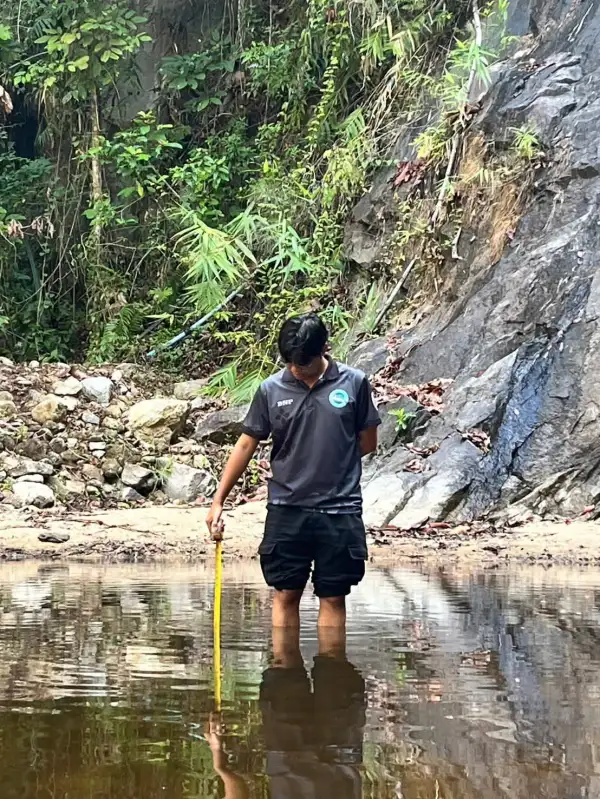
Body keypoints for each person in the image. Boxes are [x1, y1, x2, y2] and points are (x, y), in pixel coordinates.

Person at [206, 313, 381, 629]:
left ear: (324, 349)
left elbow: (367, 442)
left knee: (333, 596)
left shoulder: (354, 383)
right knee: (285, 593)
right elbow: (246, 445)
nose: (296, 370)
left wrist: (332, 460)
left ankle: (331, 673)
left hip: (339, 511)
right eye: (290, 363)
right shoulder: (271, 390)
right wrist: (219, 500)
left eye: (303, 364)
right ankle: (284, 673)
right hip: (287, 510)